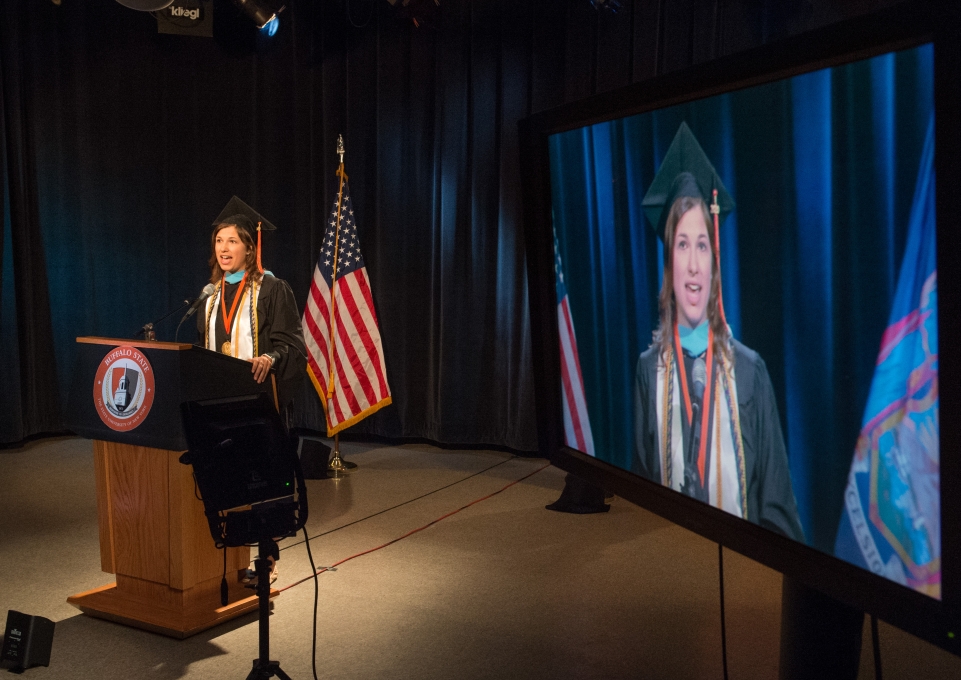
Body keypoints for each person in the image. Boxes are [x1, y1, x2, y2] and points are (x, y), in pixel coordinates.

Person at [633, 123, 804, 542]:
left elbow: (778, 514)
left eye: (703, 245)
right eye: (682, 244)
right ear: (669, 263)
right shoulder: (648, 371)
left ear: (714, 262)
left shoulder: (750, 372)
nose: (693, 264)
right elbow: (638, 499)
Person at [196, 195, 308, 582]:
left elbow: (292, 344)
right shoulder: (210, 297)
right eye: (218, 241)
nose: (223, 249)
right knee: (227, 482)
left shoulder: (273, 289)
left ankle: (267, 559)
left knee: (262, 483)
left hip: (261, 403)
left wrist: (271, 359)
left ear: (249, 246)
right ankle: (226, 558)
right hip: (220, 406)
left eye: (232, 241)